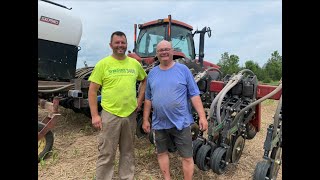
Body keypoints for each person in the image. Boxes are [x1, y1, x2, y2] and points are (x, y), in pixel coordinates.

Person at [142, 40, 208, 180]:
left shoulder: (183, 70)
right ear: (157, 53)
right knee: (161, 153)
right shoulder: (152, 73)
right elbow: (148, 99)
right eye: (161, 50)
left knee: (187, 157)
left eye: (167, 49)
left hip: (181, 122)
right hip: (159, 122)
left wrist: (202, 116)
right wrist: (145, 119)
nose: (164, 52)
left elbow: (194, 94)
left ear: (172, 51)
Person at [88, 31, 147, 180]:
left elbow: (144, 80)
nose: (120, 45)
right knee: (107, 151)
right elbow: (92, 91)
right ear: (111, 45)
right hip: (110, 114)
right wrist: (95, 115)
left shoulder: (134, 64)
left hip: (130, 114)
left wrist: (139, 101)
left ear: (127, 45)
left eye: (123, 43)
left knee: (128, 151)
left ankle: (126, 177)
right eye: (117, 43)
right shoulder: (103, 64)